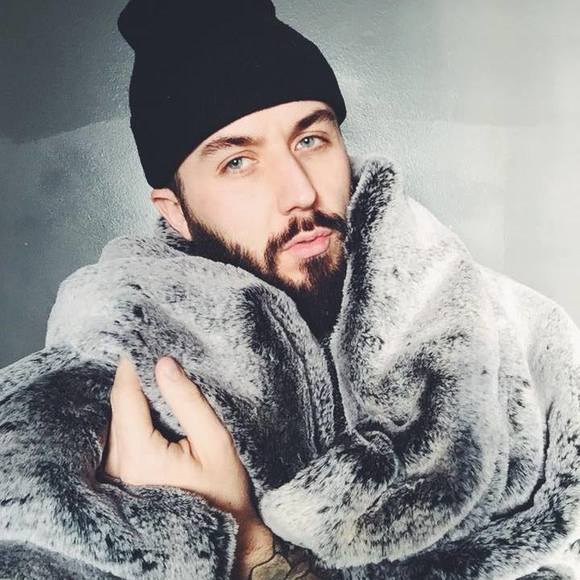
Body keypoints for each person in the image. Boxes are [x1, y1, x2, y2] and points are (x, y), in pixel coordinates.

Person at [1, 1, 580, 579]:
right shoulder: (98, 392)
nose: (299, 192)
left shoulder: (519, 336)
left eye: (310, 141)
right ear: (175, 212)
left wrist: (252, 551)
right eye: (238, 161)